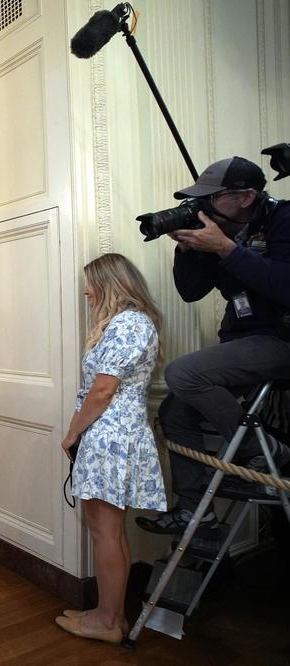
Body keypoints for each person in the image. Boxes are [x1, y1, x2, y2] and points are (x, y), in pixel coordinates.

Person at [135, 156, 290, 544]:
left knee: (183, 373)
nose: (202, 206)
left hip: (280, 339)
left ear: (246, 197)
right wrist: (187, 249)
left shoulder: (283, 220)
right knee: (174, 411)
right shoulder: (215, 228)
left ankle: (266, 448)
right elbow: (191, 292)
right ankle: (195, 515)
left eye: (211, 198)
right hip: (240, 341)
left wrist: (225, 248)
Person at [56, 253, 167, 646]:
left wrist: (72, 434)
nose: (86, 290)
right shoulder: (131, 324)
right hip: (115, 435)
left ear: (111, 283)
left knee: (105, 532)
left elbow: (103, 389)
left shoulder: (129, 323)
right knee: (110, 531)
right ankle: (112, 615)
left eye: (91, 282)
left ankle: (105, 622)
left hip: (110, 437)